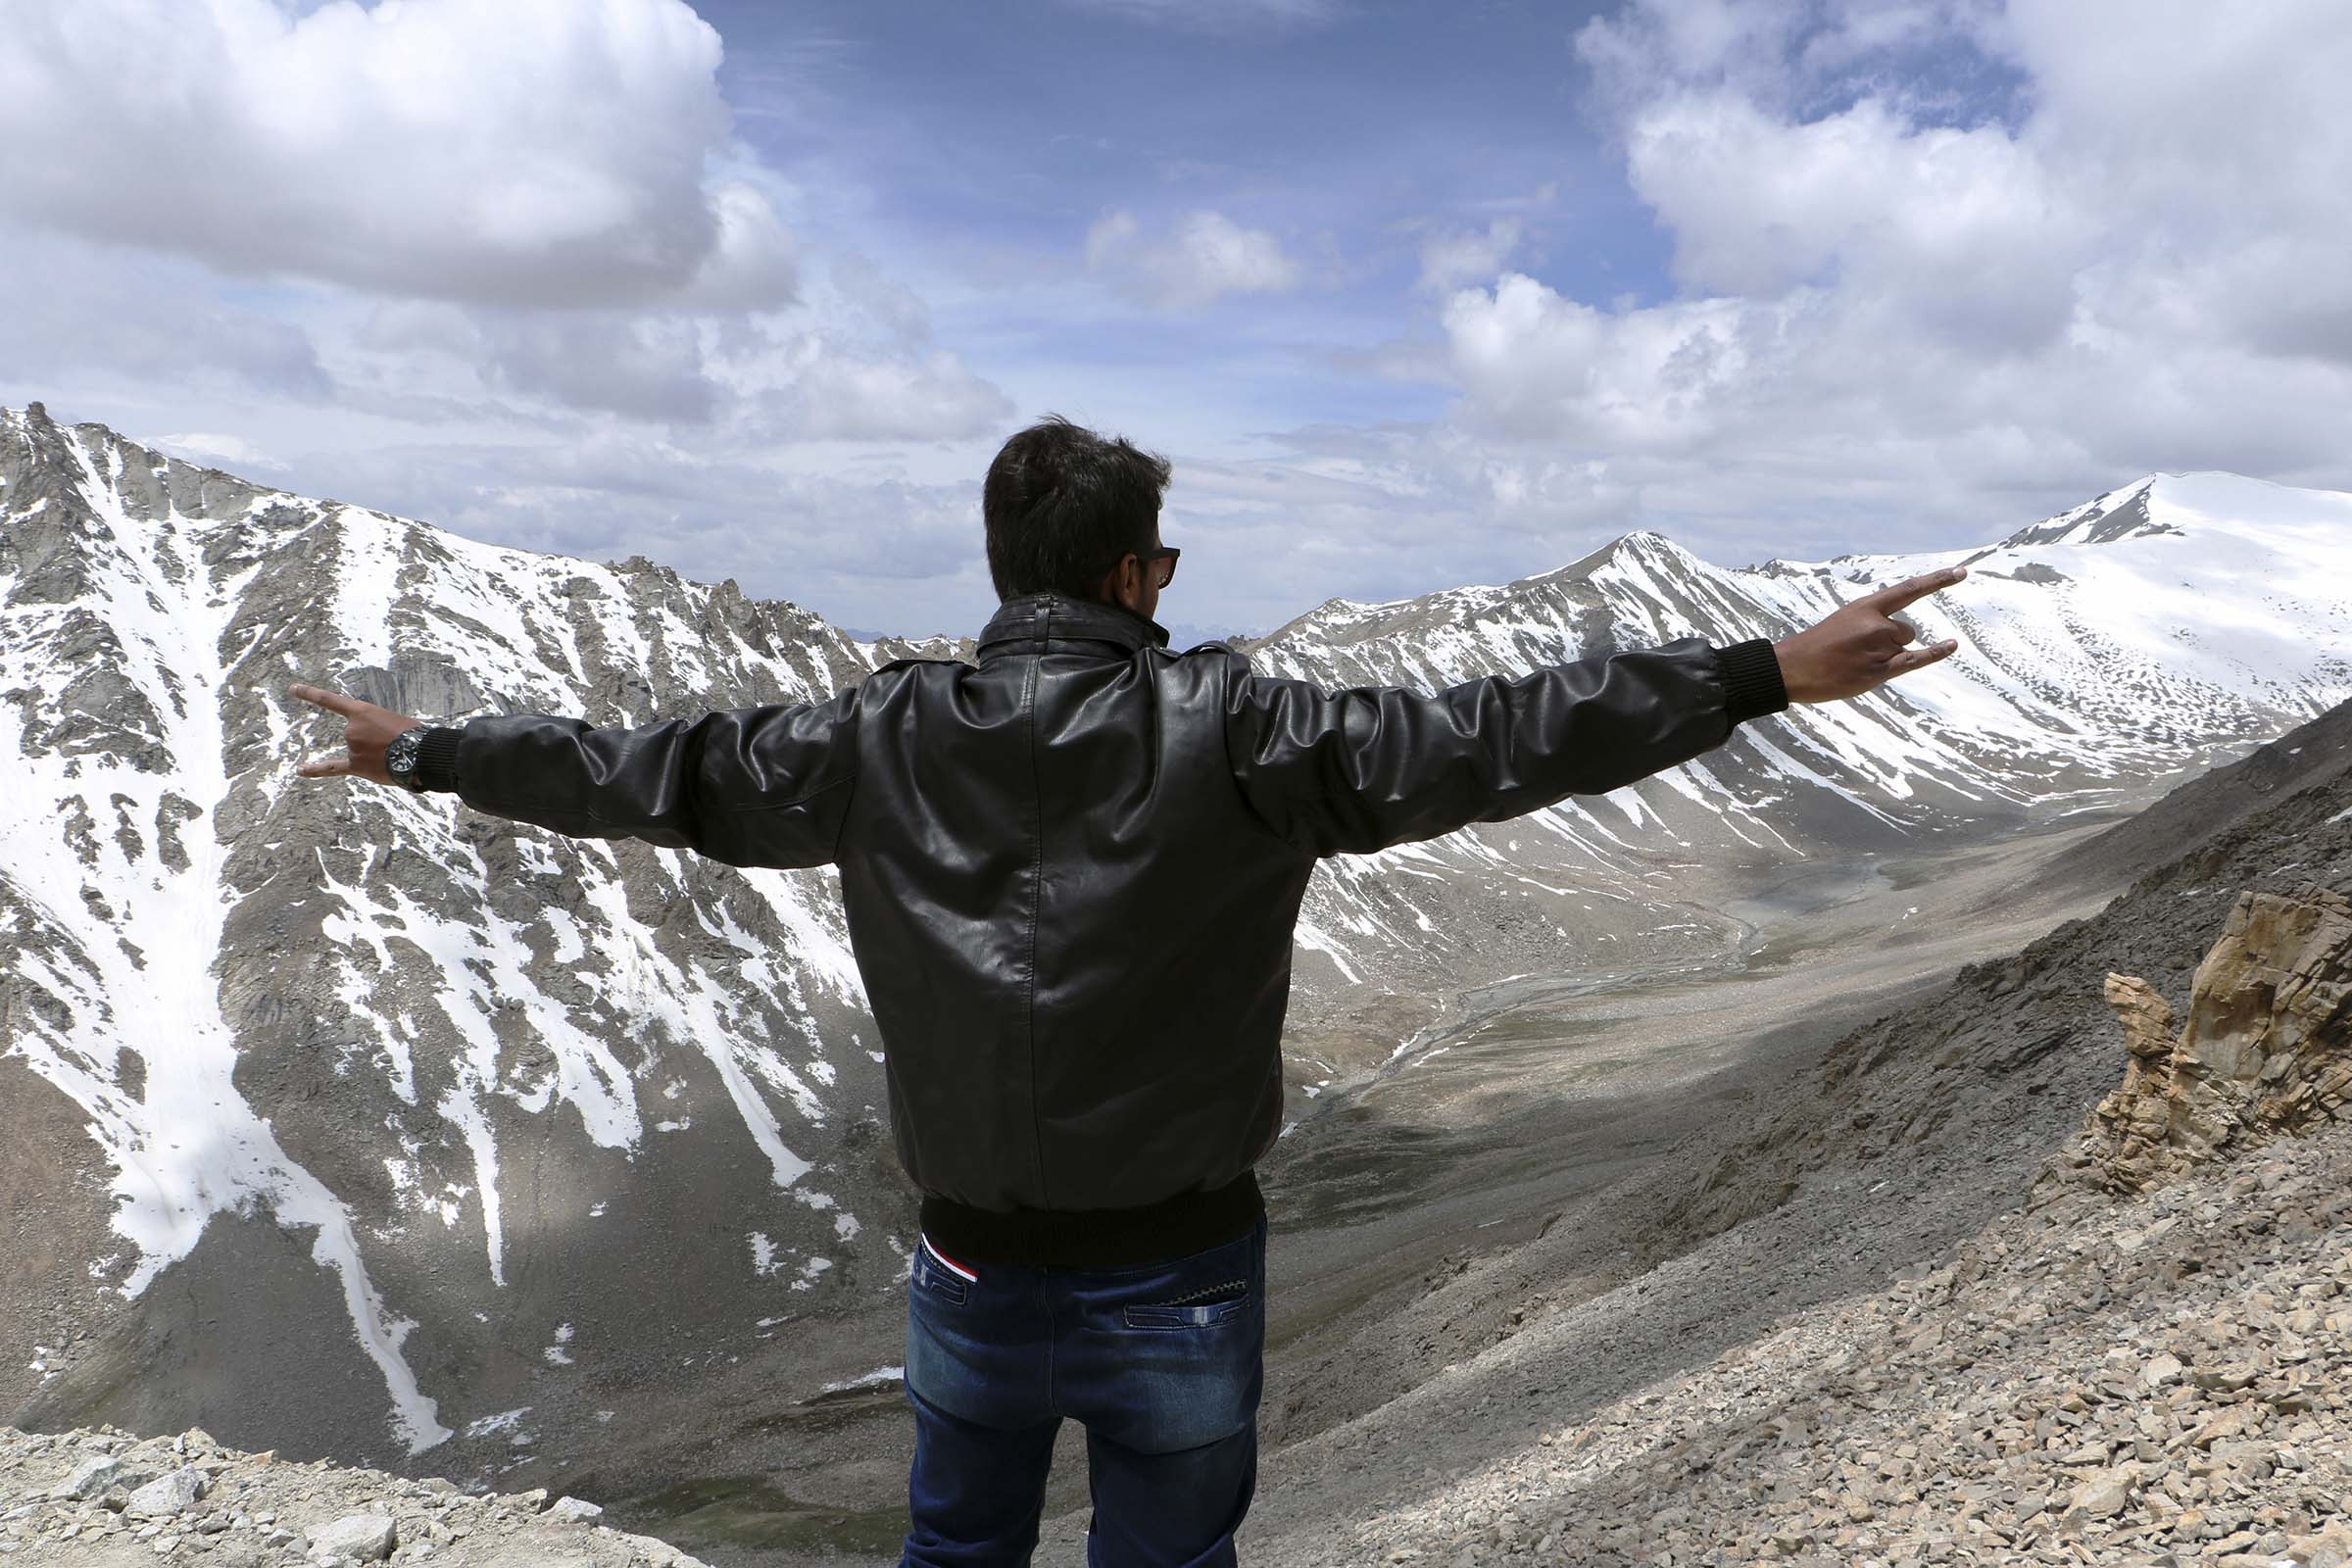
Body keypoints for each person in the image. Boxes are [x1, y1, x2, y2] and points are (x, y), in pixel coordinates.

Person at [289, 414, 1966, 1567]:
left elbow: (643, 771)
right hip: (1177, 1263)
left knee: (958, 1547)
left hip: (965, 1265)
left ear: (1004, 563)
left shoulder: (876, 738)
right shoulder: (1241, 730)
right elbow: (1506, 734)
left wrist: (429, 749)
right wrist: (1762, 672)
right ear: (1140, 577)